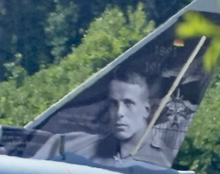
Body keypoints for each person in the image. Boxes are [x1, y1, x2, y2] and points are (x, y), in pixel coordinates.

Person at [33, 70, 171, 167]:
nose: (119, 113)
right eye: (113, 104)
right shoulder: (65, 145)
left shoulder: (158, 159)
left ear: (146, 110)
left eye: (128, 103)